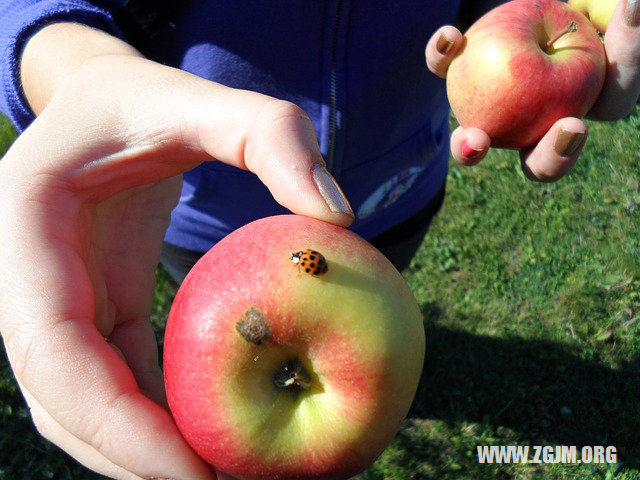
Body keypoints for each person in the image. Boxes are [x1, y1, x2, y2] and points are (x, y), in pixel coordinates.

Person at [0, 1, 638, 479]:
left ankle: (399, 365)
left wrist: (513, 22)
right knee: (369, 313)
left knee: (381, 289)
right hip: (197, 211)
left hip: (399, 188)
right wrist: (73, 63)